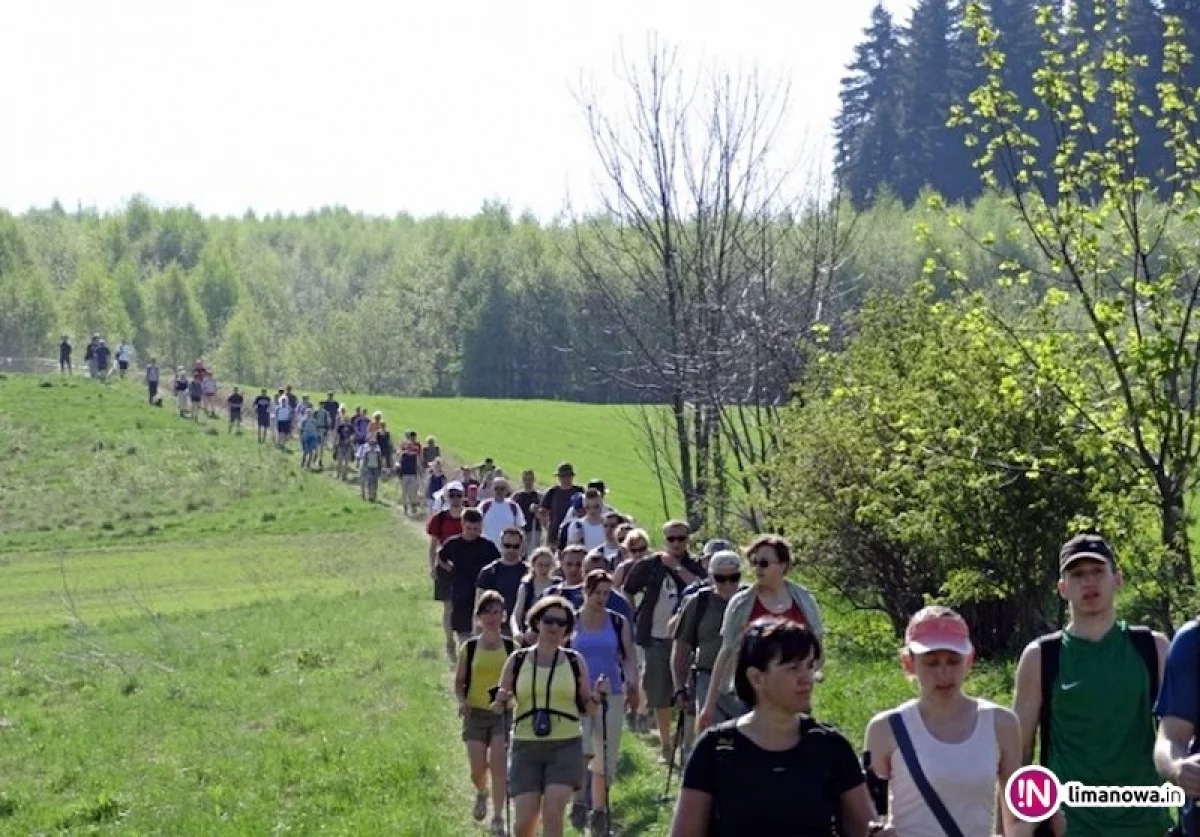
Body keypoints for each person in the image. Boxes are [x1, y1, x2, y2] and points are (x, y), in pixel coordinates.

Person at [1012, 534, 1170, 837]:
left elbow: (1179, 736)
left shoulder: (1153, 649)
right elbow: (1018, 754)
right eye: (1078, 574)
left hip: (1145, 825)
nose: (1089, 582)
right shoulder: (1042, 657)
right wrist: (1008, 829)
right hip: (1068, 827)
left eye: (1098, 571)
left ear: (1117, 579)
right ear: (1062, 588)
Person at [669, 618, 886, 837]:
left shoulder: (831, 747)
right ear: (756, 678)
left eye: (810, 666)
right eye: (793, 668)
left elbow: (865, 826)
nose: (807, 679)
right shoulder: (715, 750)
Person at [864, 606, 1023, 837]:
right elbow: (870, 816)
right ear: (908, 663)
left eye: (953, 661)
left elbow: (1015, 817)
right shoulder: (885, 728)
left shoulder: (1001, 723)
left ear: (969, 660)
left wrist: (1046, 823)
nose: (943, 673)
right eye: (931, 662)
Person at [492, 596, 597, 837]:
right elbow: (499, 704)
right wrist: (501, 701)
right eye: (549, 620)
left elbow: (588, 709)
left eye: (562, 623)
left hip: (565, 744)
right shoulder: (517, 660)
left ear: (568, 629)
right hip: (526, 745)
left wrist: (598, 697)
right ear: (537, 622)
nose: (554, 627)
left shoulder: (574, 661)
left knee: (552, 811)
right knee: (525, 822)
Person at [699, 535, 824, 732]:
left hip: (794, 692)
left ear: (783, 565)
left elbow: (817, 647)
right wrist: (709, 705)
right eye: (754, 562)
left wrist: (808, 676)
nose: (757, 569)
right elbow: (726, 652)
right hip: (753, 695)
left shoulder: (804, 600)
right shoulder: (741, 603)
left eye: (764, 563)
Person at [623, 520, 706, 764]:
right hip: (656, 638)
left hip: (687, 640)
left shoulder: (696, 566)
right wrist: (635, 615)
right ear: (665, 539)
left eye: (681, 538)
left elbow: (703, 588)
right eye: (672, 539)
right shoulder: (649, 565)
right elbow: (628, 589)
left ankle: (683, 742)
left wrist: (678, 568)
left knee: (686, 694)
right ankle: (666, 745)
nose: (677, 543)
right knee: (659, 693)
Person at [572, 570, 640, 836]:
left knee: (605, 752)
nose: (602, 598)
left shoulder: (617, 621)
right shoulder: (573, 620)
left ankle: (599, 811)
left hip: (611, 692)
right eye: (597, 592)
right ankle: (578, 802)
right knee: (582, 747)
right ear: (586, 592)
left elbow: (628, 657)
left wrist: (632, 682)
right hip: (578, 693)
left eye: (606, 593)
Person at [672, 550, 745, 756]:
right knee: (715, 740)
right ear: (711, 577)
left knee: (745, 740)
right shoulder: (698, 602)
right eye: (721, 578)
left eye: (734, 577)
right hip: (706, 677)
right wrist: (679, 687)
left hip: (745, 683)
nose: (728, 584)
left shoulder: (749, 601)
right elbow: (681, 647)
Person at [455, 591, 514, 837]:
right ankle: (482, 792)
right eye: (487, 612)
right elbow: (459, 682)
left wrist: (509, 698)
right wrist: (462, 701)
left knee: (498, 766)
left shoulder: (512, 647)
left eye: (496, 612)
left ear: (503, 616)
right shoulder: (469, 647)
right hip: (476, 713)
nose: (492, 617)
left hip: (502, 714)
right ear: (479, 617)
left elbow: (519, 681)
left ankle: (498, 817)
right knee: (477, 769)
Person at [437, 508, 501, 644]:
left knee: (480, 626)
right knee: (462, 630)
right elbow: (441, 556)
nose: (472, 532)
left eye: (476, 529)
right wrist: (449, 568)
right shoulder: (453, 543)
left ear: (481, 526)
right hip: (460, 591)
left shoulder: (487, 546)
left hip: (481, 592)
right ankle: (463, 653)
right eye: (469, 528)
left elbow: (498, 564)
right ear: (462, 524)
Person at [429, 481, 468, 655]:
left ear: (463, 496)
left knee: (463, 605)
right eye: (451, 495)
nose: (455, 499)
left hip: (465, 568)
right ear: (446, 496)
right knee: (448, 606)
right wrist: (432, 567)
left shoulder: (469, 517)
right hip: (444, 567)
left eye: (458, 495)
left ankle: (463, 640)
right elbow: (433, 545)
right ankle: (449, 641)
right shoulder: (440, 518)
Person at [475, 528, 529, 638]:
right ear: (501, 545)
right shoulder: (488, 572)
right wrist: (477, 634)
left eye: (516, 546)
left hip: (521, 630)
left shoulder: (529, 572)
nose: (511, 550)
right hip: (494, 628)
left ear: (522, 546)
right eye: (507, 545)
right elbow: (479, 605)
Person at [512, 547, 558, 645]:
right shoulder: (526, 586)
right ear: (533, 565)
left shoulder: (558, 585)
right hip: (529, 635)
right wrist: (516, 633)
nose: (543, 569)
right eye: (540, 565)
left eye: (547, 565)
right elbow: (516, 614)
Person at [540, 463, 583, 547]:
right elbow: (543, 511)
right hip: (554, 535)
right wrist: (546, 525)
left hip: (574, 535)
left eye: (567, 476)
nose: (564, 479)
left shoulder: (579, 491)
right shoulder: (552, 492)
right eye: (562, 476)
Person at [480, 477, 526, 547]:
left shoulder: (513, 506)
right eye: (496, 488)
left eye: (502, 489)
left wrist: (521, 546)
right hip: (486, 548)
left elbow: (520, 528)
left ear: (507, 490)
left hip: (508, 548)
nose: (499, 491)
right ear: (492, 489)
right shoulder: (484, 505)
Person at [513, 470, 543, 556]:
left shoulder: (539, 496)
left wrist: (537, 511)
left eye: (530, 479)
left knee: (533, 554)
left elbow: (544, 515)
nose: (528, 482)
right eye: (525, 479)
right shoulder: (517, 496)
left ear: (533, 480)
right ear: (522, 480)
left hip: (535, 529)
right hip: (520, 530)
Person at [397, 430, 422, 516]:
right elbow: (398, 463)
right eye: (408, 446)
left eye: (410, 446)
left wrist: (420, 473)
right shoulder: (403, 454)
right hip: (404, 475)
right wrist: (397, 467)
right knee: (404, 492)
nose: (409, 447)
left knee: (413, 492)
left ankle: (413, 507)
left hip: (413, 475)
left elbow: (418, 465)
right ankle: (405, 508)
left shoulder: (415, 455)